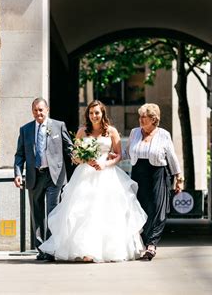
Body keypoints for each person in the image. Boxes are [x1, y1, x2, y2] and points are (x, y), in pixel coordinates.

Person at [39, 100, 147, 263]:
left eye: (97, 112)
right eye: (91, 113)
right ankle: (85, 250)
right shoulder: (82, 131)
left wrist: (105, 164)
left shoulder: (111, 131)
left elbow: (118, 155)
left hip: (107, 174)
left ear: (103, 113)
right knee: (83, 211)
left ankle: (109, 250)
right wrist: (84, 158)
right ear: (87, 115)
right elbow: (74, 156)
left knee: (106, 212)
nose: (94, 116)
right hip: (85, 175)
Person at [14, 97, 72, 261]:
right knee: (37, 213)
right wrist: (18, 173)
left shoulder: (58, 126)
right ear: (32, 111)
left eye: (41, 110)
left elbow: (69, 147)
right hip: (34, 176)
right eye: (35, 110)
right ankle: (41, 249)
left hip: (54, 175)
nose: (38, 113)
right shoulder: (25, 130)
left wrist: (80, 157)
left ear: (47, 110)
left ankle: (52, 248)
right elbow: (20, 154)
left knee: (52, 211)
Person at [125, 103, 183, 261]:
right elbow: (127, 152)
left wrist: (179, 177)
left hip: (158, 174)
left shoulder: (163, 134)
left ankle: (152, 244)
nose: (140, 119)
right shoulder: (134, 132)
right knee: (141, 209)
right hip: (138, 174)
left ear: (154, 119)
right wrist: (110, 156)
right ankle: (143, 242)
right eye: (140, 116)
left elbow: (171, 156)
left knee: (158, 208)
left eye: (144, 117)